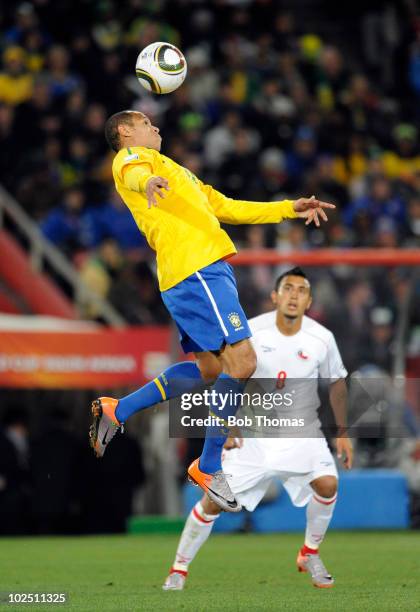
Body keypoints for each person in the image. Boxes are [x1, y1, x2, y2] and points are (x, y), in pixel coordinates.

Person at [89, 110, 335, 513]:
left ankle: (120, 409)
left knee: (211, 371)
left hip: (189, 274)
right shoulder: (132, 160)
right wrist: (147, 181)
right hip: (197, 269)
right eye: (146, 122)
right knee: (244, 362)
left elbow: (228, 206)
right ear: (124, 131)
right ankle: (209, 464)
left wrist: (289, 207)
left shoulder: (176, 172)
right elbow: (133, 172)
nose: (155, 126)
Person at [163, 268, 353, 590]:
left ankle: (309, 552)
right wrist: (230, 422)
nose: (294, 295)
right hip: (255, 435)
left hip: (303, 433)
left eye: (301, 290)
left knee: (327, 484)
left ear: (309, 301)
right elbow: (225, 378)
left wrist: (343, 433)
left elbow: (337, 383)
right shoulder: (251, 332)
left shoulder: (323, 338)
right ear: (275, 296)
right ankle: (178, 570)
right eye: (288, 288)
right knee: (213, 502)